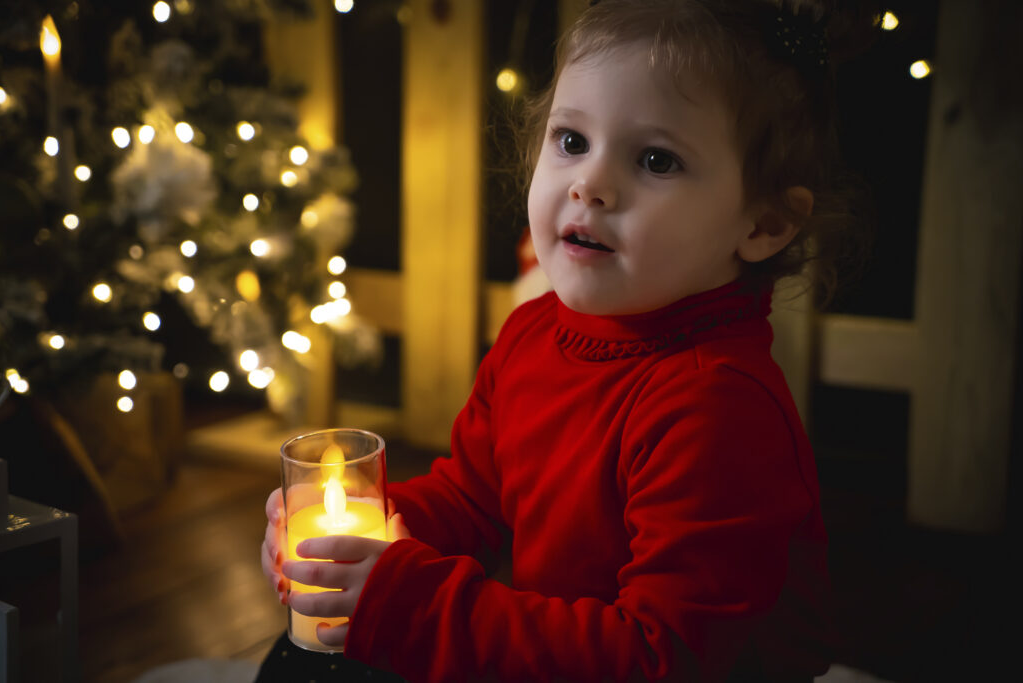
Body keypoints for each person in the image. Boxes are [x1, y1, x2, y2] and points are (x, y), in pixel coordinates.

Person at [260, 0, 875, 680]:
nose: (591, 184)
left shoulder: (718, 407)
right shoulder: (533, 332)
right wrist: (358, 536)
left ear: (764, 223)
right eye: (572, 141)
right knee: (309, 654)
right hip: (560, 653)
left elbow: (656, 657)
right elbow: (473, 496)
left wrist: (412, 602)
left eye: (656, 159)